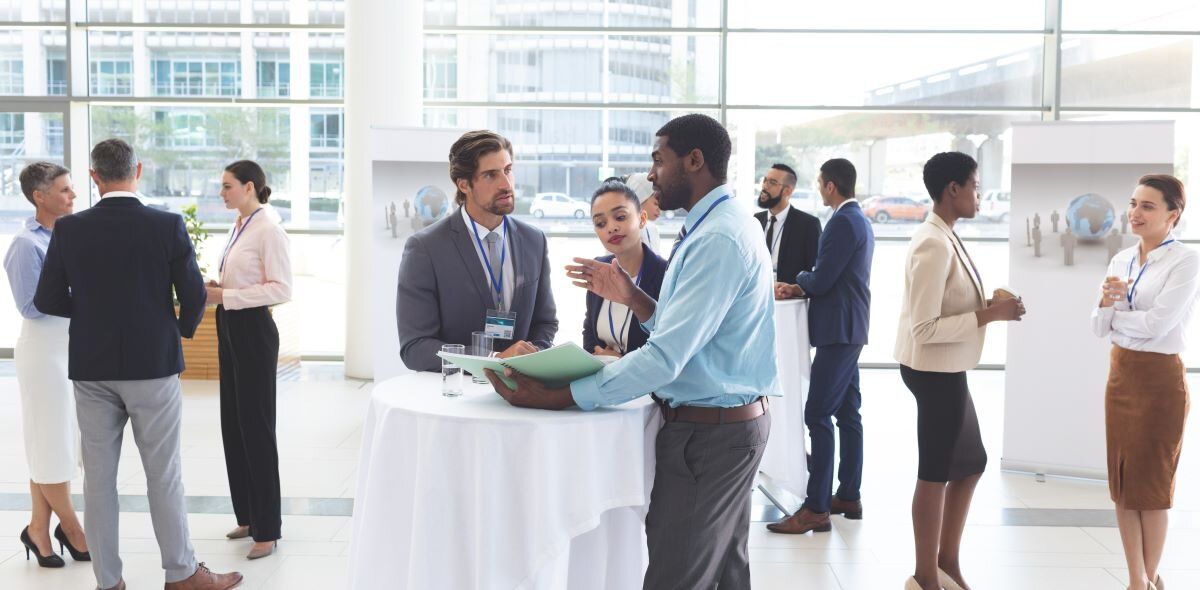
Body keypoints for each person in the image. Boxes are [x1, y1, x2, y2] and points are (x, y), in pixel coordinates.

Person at [487, 114, 778, 588]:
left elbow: (665, 357)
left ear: (695, 161)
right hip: (726, 427)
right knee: (725, 575)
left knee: (675, 574)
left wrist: (559, 395)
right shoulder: (716, 226)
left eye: (658, 161)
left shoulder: (717, 238)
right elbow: (690, 334)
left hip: (711, 436)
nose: (651, 176)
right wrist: (633, 297)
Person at [34, 138, 242, 590]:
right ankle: (182, 574)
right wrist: (176, 330)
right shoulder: (166, 225)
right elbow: (193, 297)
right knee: (163, 474)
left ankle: (109, 582)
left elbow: (47, 298)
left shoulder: (69, 229)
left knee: (99, 482)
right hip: (154, 364)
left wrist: (93, 313)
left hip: (92, 367)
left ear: (94, 177)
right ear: (139, 171)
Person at [894, 152, 1024, 590]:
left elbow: (947, 304)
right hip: (933, 371)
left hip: (946, 369)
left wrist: (989, 306)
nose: (979, 195)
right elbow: (925, 327)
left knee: (971, 462)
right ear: (953, 189)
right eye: (975, 186)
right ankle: (925, 575)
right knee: (935, 470)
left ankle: (946, 562)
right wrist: (992, 316)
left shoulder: (946, 234)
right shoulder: (932, 242)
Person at [1092, 174, 1197, 590]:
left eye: (1148, 206)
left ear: (1173, 215)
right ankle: (1136, 577)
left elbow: (1158, 326)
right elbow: (1099, 325)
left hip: (1159, 380)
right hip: (1120, 376)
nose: (1135, 213)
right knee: (1122, 483)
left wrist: (1119, 317)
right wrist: (1105, 306)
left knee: (1151, 486)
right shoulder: (1120, 259)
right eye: (1133, 204)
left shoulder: (1186, 261)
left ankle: (1146, 579)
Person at [770, 158, 873, 535]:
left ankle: (816, 507)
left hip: (838, 330)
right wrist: (805, 283)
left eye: (819, 183)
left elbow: (824, 278)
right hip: (848, 328)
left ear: (830, 185)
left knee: (817, 415)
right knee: (848, 414)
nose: (818, 188)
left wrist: (797, 279)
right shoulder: (857, 219)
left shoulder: (843, 221)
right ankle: (847, 494)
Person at [396, 130, 557, 370]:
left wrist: (531, 356)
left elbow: (545, 323)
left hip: (522, 392)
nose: (506, 184)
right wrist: (492, 360)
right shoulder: (425, 248)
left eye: (508, 170)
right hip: (457, 394)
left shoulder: (534, 240)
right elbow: (415, 347)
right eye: (491, 175)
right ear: (464, 184)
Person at [205, 160, 293, 560]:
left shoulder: (268, 229)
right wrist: (220, 288)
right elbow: (243, 279)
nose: (221, 193)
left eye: (227, 186)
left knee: (256, 427)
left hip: (253, 330)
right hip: (229, 326)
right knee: (233, 422)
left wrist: (228, 297)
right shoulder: (240, 225)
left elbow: (280, 289)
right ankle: (248, 515)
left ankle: (268, 528)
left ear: (250, 187)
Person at [3, 162, 89, 569]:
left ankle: (38, 528)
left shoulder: (70, 235)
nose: (73, 196)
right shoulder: (25, 244)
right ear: (40, 196)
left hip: (69, 347)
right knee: (50, 441)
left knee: (54, 443)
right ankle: (72, 528)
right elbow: (30, 305)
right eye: (65, 190)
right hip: (43, 350)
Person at [581, 178, 667, 357]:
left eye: (620, 217)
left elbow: (668, 347)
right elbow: (589, 336)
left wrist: (619, 362)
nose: (611, 228)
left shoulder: (664, 274)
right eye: (601, 223)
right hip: (602, 380)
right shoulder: (599, 269)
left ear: (642, 219)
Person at [754, 163, 821, 284]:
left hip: (790, 299)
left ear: (787, 191)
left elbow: (814, 272)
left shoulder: (808, 225)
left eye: (772, 182)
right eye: (765, 180)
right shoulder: (756, 220)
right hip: (758, 295)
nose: (765, 186)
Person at [626, 172, 663, 255]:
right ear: (639, 200)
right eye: (656, 204)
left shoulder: (650, 228)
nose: (659, 209)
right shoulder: (646, 227)